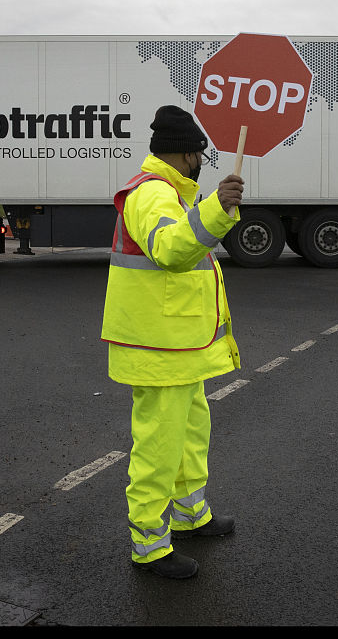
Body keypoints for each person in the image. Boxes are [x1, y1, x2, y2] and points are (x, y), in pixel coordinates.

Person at [101, 105, 245, 579]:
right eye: (200, 152)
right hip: (160, 350)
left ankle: (189, 515)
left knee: (188, 436)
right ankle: (149, 545)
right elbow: (169, 249)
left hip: (179, 348)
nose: (203, 160)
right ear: (187, 154)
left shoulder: (169, 193)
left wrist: (209, 209)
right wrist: (217, 209)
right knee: (158, 447)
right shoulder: (152, 194)